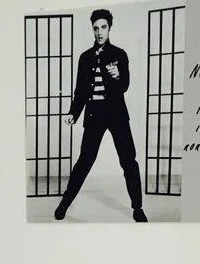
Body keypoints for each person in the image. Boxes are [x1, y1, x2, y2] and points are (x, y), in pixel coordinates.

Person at [54, 9, 147, 222]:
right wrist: (73, 113)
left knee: (128, 161)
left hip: (116, 115)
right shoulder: (85, 58)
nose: (99, 32)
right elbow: (80, 91)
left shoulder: (120, 54)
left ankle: (138, 208)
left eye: (103, 27)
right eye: (96, 28)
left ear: (109, 28)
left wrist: (118, 75)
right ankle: (64, 204)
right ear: (92, 29)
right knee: (84, 161)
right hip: (94, 115)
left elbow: (124, 86)